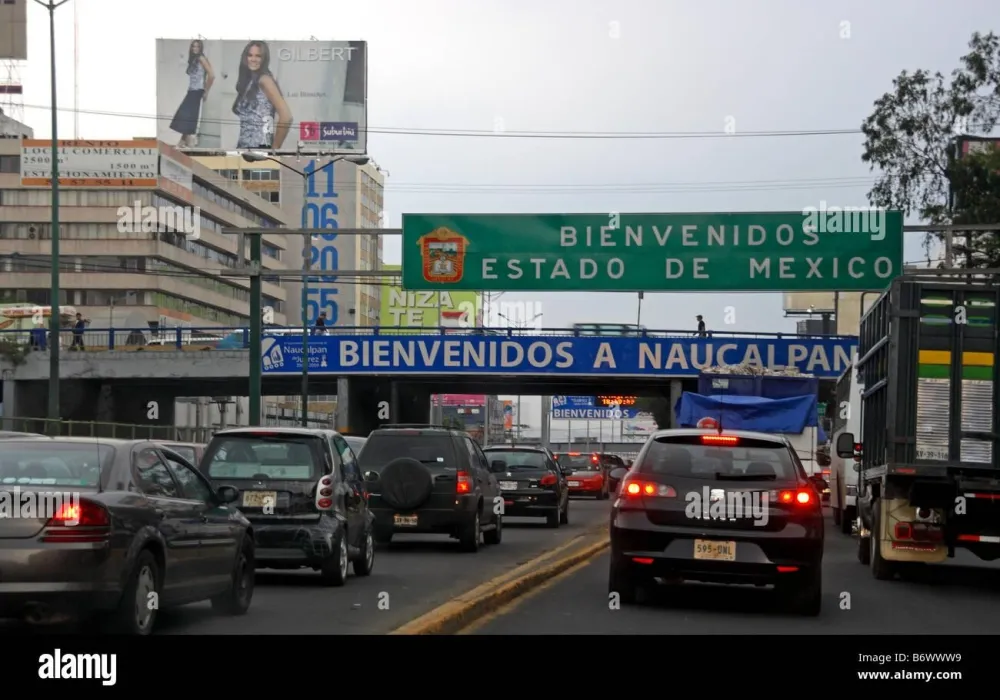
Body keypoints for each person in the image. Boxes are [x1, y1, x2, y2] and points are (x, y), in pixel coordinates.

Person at [232, 40, 292, 150]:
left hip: (259, 149)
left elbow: (286, 117)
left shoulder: (265, 80)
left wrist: (275, 148)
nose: (253, 59)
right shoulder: (249, 81)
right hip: (244, 148)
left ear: (264, 59)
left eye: (258, 56)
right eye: (250, 55)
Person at [168, 40, 214, 147]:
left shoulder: (202, 58)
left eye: (197, 47)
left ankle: (184, 141)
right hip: (191, 90)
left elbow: (212, 75)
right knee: (187, 116)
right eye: (193, 46)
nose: (195, 48)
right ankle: (184, 141)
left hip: (197, 91)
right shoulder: (194, 59)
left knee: (187, 115)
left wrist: (206, 91)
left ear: (200, 48)